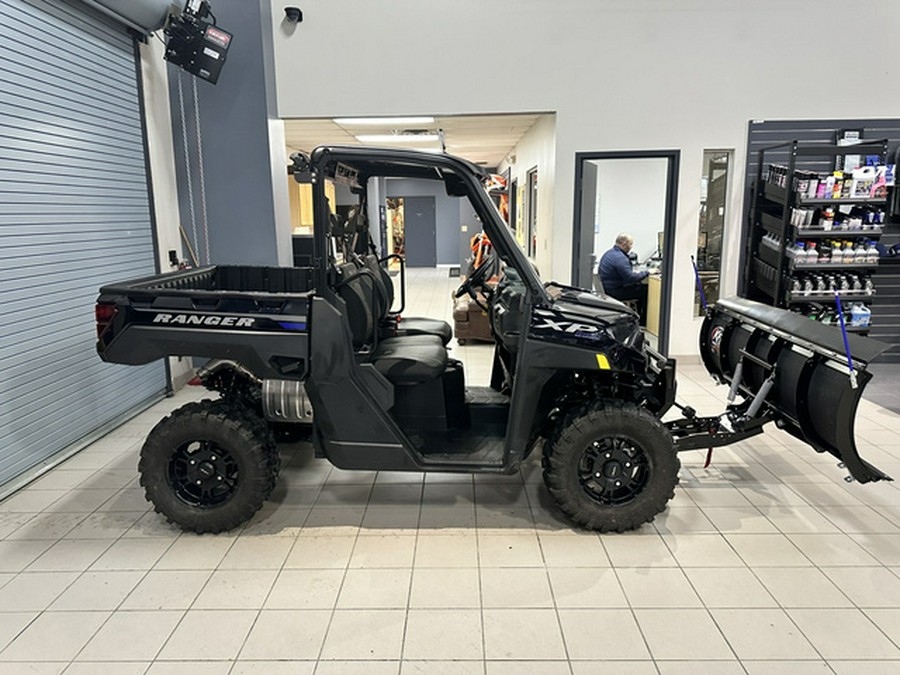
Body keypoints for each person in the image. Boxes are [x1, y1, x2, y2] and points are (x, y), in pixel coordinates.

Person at [598, 233, 651, 323]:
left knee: (639, 285)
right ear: (624, 244)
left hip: (607, 289)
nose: (631, 247)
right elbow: (630, 278)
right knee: (646, 290)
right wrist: (648, 272)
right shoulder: (620, 258)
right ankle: (643, 321)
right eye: (630, 244)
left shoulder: (609, 253)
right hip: (616, 292)